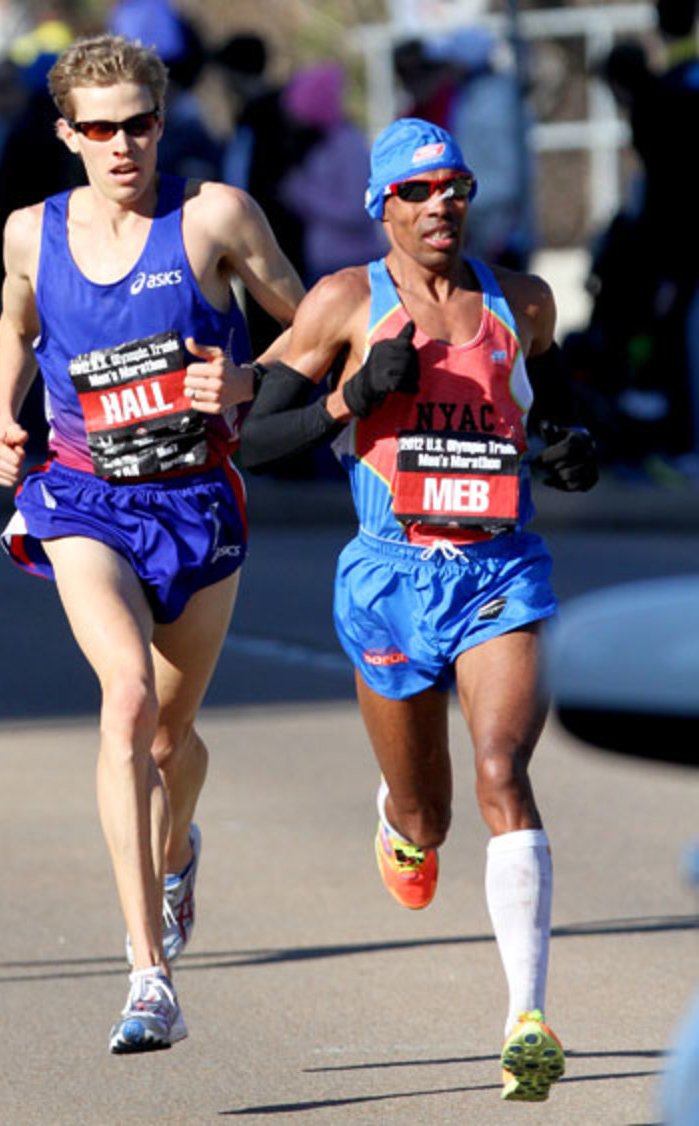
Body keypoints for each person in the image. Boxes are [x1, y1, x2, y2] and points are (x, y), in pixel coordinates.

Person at [239, 117, 598, 1101]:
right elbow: (257, 439)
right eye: (417, 191)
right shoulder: (345, 302)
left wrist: (570, 453)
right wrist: (352, 398)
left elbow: (566, 424)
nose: (441, 205)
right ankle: (398, 823)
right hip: (390, 580)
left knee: (502, 772)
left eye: (456, 187)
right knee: (429, 815)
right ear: (381, 208)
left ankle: (527, 1016)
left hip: (498, 571)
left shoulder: (519, 302)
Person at [0, 33, 304, 1054]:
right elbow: (16, 323)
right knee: (124, 699)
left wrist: (245, 382)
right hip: (82, 495)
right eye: (102, 129)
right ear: (68, 133)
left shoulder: (215, 216)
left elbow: (316, 324)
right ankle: (147, 971)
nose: (124, 145)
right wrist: (3, 419)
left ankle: (177, 854)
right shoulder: (31, 231)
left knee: (170, 741)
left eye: (141, 124)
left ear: (163, 122)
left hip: (197, 503)